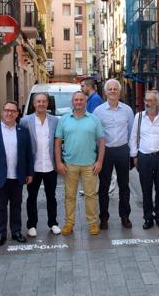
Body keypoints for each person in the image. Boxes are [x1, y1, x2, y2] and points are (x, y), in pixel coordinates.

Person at [0, 101, 34, 246]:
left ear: (17, 114)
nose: (9, 113)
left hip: (17, 176)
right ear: (2, 112)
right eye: (7, 110)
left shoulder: (23, 131)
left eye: (13, 111)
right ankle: (1, 233)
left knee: (16, 205)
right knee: (1, 206)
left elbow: (28, 154)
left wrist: (30, 173)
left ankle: (16, 231)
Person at [55, 91, 106, 236]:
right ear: (72, 102)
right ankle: (69, 223)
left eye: (81, 100)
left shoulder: (94, 119)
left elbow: (102, 141)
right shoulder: (64, 119)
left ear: (85, 102)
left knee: (91, 195)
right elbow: (58, 142)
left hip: (90, 165)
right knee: (69, 196)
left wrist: (100, 161)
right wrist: (59, 162)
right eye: (76, 100)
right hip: (69, 164)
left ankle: (92, 223)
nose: (78, 102)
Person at [129, 90, 159, 230]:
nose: (147, 103)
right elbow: (133, 138)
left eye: (150, 100)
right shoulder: (138, 117)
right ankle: (148, 218)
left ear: (157, 102)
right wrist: (134, 156)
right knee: (146, 189)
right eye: (146, 100)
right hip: (144, 158)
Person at [93, 79, 135, 229]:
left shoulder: (128, 110)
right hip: (105, 152)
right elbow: (95, 134)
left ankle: (125, 217)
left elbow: (131, 132)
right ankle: (103, 218)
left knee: (124, 186)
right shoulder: (98, 111)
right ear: (105, 92)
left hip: (123, 150)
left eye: (115, 89)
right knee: (103, 187)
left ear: (119, 91)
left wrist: (131, 152)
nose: (112, 91)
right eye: (109, 89)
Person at [19, 93, 61, 237]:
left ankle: (53, 223)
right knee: (32, 197)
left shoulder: (55, 121)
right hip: (34, 167)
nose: (41, 104)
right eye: (38, 101)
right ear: (34, 104)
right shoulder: (25, 121)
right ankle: (31, 225)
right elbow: (22, 145)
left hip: (50, 166)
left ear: (48, 104)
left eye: (44, 101)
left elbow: (58, 142)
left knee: (52, 197)